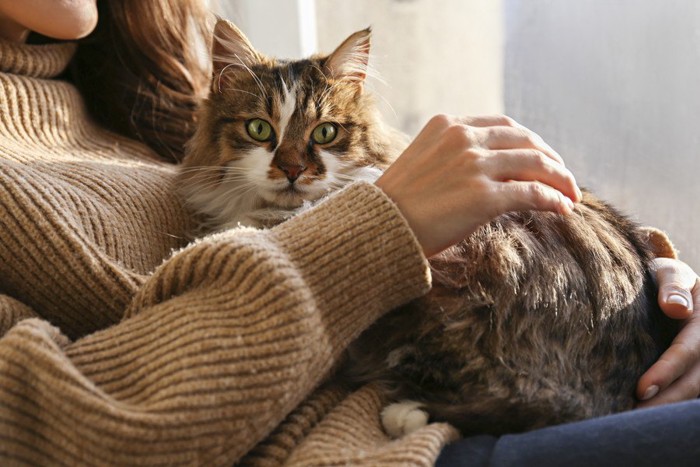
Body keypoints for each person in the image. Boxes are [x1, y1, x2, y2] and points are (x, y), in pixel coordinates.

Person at [0, 1, 697, 465]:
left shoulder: (139, 93)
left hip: (524, 375)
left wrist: (648, 278)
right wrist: (376, 232)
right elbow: (54, 422)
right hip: (390, 442)